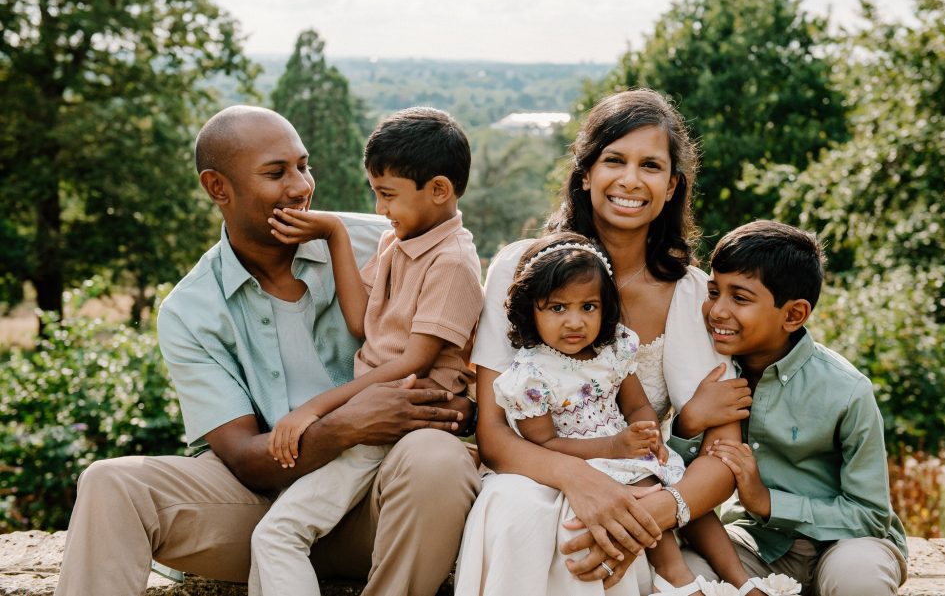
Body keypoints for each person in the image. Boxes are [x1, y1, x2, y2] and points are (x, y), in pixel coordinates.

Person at [54, 105, 480, 596]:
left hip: (381, 504)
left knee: (436, 459)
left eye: (304, 165)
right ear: (218, 188)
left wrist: (461, 410)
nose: (301, 187)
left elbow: (470, 347)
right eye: (276, 173)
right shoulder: (189, 310)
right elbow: (241, 458)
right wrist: (344, 425)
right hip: (256, 514)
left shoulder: (389, 237)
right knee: (109, 483)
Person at [455, 89, 760, 596]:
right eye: (614, 160)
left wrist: (661, 509)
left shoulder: (689, 294)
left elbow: (724, 453)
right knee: (522, 513)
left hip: (636, 486)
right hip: (527, 472)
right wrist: (580, 480)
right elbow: (492, 433)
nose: (630, 180)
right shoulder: (518, 268)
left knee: (600, 528)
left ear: (671, 186)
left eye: (651, 166)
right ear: (584, 174)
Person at [247, 106, 485, 596]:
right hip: (372, 418)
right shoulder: (397, 242)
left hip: (396, 418)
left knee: (277, 533)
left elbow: (412, 361)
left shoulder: (453, 262)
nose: (380, 208)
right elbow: (363, 323)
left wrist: (312, 410)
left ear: (439, 190)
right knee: (278, 533)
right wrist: (334, 232)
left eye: (387, 195)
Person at [492, 232, 752, 595]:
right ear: (530, 311)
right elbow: (544, 443)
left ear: (606, 307)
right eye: (557, 308)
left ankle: (742, 579)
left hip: (625, 449)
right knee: (645, 488)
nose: (574, 322)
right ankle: (674, 575)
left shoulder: (613, 351)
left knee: (686, 497)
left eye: (588, 307)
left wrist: (647, 433)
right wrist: (614, 447)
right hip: (583, 460)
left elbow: (635, 404)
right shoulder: (530, 377)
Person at [689, 220, 909, 595]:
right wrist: (687, 421)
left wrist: (767, 501)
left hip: (843, 544)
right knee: (685, 576)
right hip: (752, 544)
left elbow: (870, 515)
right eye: (714, 292)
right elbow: (679, 474)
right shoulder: (705, 374)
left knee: (859, 577)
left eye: (739, 298)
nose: (717, 311)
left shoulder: (847, 390)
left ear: (793, 315)